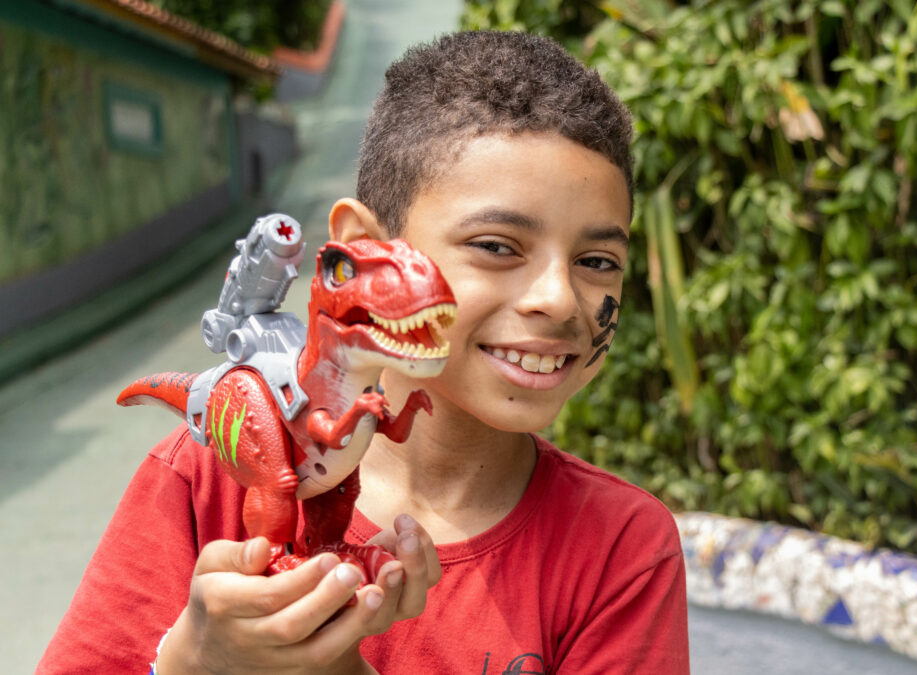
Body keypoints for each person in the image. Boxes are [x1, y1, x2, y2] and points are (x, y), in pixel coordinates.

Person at [39, 31, 690, 674]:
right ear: (362, 249)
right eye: (496, 245)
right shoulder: (208, 472)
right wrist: (186, 663)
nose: (558, 299)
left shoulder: (622, 548)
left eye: (598, 260)